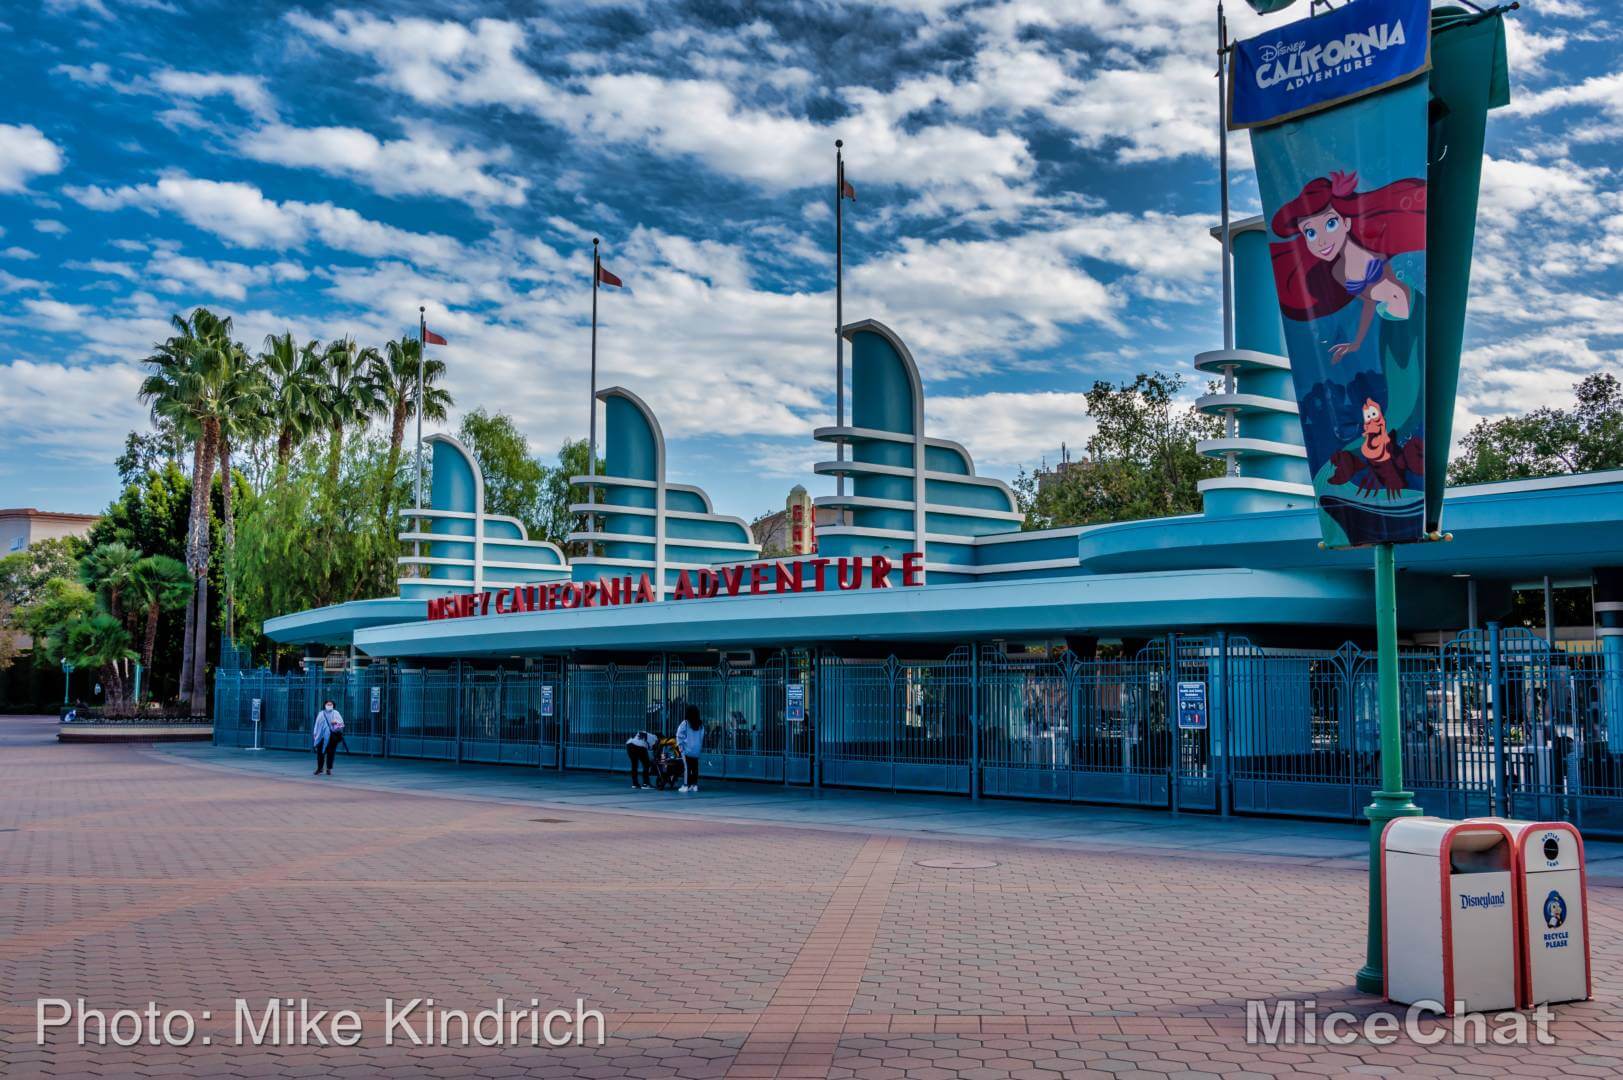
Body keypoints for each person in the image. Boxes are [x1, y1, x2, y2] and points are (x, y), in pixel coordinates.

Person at [675, 704, 705, 794]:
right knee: (695, 768)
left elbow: (679, 734)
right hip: (696, 750)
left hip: (687, 749)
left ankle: (686, 785)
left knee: (686, 768)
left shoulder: (686, 723)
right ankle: (694, 785)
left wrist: (680, 746)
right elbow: (702, 736)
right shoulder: (700, 724)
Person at [312, 699, 345, 776]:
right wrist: (315, 734)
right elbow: (316, 724)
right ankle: (319, 768)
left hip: (332, 737)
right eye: (328, 704)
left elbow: (342, 725)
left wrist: (336, 722)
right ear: (325, 705)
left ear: (333, 705)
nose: (329, 706)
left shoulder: (336, 713)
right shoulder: (321, 714)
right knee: (320, 753)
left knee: (331, 753)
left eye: (331, 704)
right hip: (321, 736)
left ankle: (328, 769)